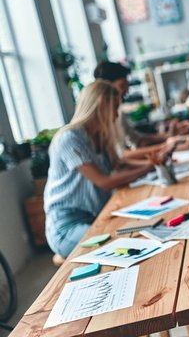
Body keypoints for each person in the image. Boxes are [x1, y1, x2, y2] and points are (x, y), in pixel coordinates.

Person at [44, 80, 155, 258]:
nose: (117, 115)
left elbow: (119, 166)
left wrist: (153, 162)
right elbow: (105, 182)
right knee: (123, 245)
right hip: (67, 226)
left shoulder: (99, 136)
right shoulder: (69, 138)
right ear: (102, 102)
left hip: (95, 217)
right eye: (115, 107)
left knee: (142, 231)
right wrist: (150, 166)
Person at [93, 61, 189, 159]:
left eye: (127, 85)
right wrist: (165, 146)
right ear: (106, 87)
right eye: (122, 86)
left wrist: (167, 136)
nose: (126, 91)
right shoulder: (103, 118)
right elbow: (122, 155)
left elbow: (138, 140)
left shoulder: (118, 112)